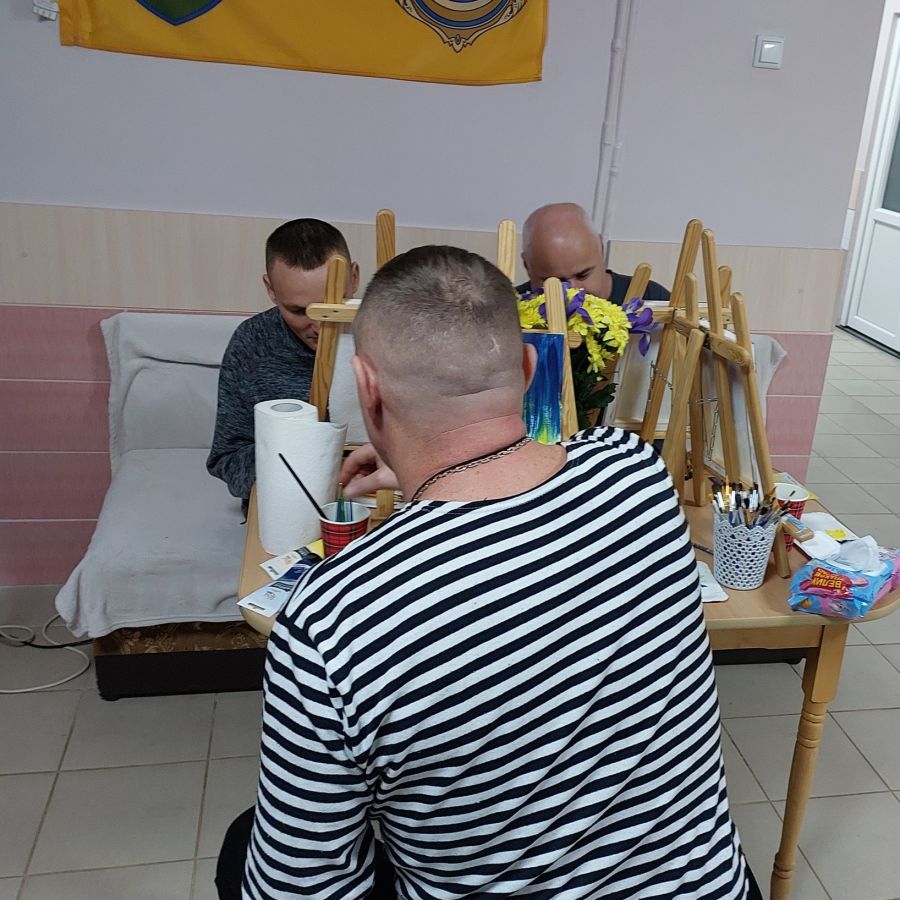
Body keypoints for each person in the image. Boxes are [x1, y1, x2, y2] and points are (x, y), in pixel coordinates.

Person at [218, 246, 760, 899]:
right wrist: (422, 472)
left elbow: (298, 890)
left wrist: (421, 470)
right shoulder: (635, 474)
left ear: (366, 388)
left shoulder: (331, 620)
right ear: (530, 366)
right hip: (710, 887)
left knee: (245, 846)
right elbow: (538, 464)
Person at [206, 219, 359, 509]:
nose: (319, 327)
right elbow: (227, 460)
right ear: (271, 288)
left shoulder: (387, 336)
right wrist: (300, 460)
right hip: (283, 504)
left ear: (353, 278)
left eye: (331, 306)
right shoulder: (252, 343)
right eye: (299, 311)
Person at [518, 202, 671, 304]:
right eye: (555, 282)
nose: (572, 292)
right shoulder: (510, 308)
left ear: (601, 249)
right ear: (527, 266)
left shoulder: (651, 298)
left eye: (583, 275)